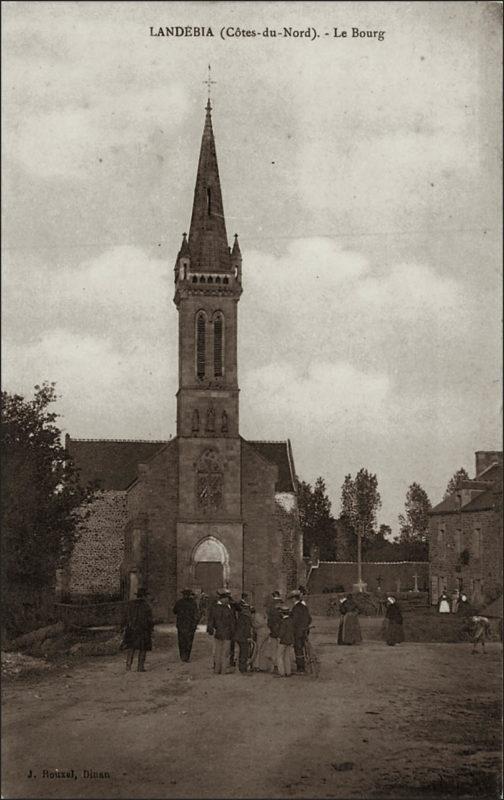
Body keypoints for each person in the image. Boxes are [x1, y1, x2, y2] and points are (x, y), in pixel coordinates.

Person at [123, 587, 154, 672]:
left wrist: (126, 626)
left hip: (132, 629)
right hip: (143, 630)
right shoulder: (147, 606)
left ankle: (128, 666)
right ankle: (140, 667)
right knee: (143, 648)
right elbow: (149, 620)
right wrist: (151, 629)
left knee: (131, 648)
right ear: (144, 596)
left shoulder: (131, 604)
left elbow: (126, 616)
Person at [206, 588, 236, 674]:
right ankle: (223, 670)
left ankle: (216, 670)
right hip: (227, 634)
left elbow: (210, 620)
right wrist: (233, 633)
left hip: (217, 633)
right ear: (224, 599)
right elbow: (232, 622)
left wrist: (211, 630)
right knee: (225, 653)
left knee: (217, 652)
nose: (227, 600)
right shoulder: (228, 609)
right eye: (227, 598)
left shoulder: (214, 608)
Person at [172, 588, 199, 663]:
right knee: (189, 640)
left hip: (181, 624)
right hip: (190, 625)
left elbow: (174, 611)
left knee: (181, 640)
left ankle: (182, 656)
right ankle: (187, 656)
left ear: (183, 595)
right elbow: (196, 614)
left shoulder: (179, 602)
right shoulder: (193, 603)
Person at [290, 589, 312, 673]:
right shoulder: (304, 607)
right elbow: (309, 619)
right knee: (303, 646)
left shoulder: (295, 608)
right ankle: (305, 662)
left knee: (298, 648)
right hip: (305, 630)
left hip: (298, 631)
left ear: (294, 599)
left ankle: (301, 667)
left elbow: (294, 621)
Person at [234, 599, 254, 673]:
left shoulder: (240, 617)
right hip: (244, 637)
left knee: (241, 653)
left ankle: (241, 667)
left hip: (239, 637)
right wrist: (248, 637)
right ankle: (243, 669)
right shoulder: (246, 618)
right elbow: (246, 629)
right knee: (244, 653)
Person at [265, 594, 283, 672]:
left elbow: (269, 623)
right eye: (279, 603)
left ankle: (274, 667)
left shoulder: (271, 611)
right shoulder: (278, 612)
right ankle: (276, 667)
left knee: (274, 650)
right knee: (277, 651)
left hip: (274, 633)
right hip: (277, 633)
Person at [251, 604, 271, 671]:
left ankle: (257, 665)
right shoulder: (259, 615)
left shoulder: (256, 616)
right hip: (266, 633)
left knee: (258, 649)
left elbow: (262, 624)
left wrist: (253, 625)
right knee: (263, 649)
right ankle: (263, 666)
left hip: (261, 633)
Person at [276, 605, 294, 677]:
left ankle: (281, 672)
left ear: (282, 613)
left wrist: (278, 638)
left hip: (283, 641)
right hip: (289, 640)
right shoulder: (290, 620)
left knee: (279, 656)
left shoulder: (283, 621)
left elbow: (282, 632)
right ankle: (288, 672)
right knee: (287, 657)